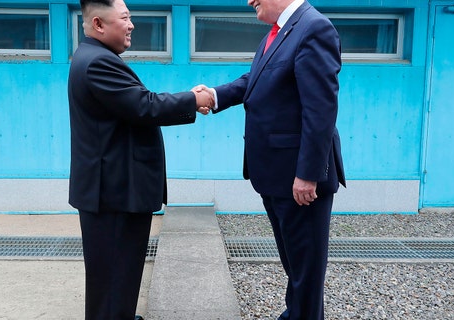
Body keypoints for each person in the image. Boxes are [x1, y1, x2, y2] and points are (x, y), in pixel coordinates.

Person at [196, 0, 345, 318]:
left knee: (306, 270)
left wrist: (308, 174)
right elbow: (257, 80)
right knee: (295, 264)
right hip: (275, 174)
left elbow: (320, 110)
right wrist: (216, 94)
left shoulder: (314, 28)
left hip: (298, 178)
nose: (250, 1)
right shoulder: (277, 33)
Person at [67, 0, 213, 319]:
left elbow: (136, 106)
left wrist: (187, 100)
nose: (131, 25)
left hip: (113, 190)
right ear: (98, 24)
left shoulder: (94, 56)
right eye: (124, 18)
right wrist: (194, 99)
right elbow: (143, 106)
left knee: (118, 275)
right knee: (115, 277)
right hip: (114, 193)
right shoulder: (97, 62)